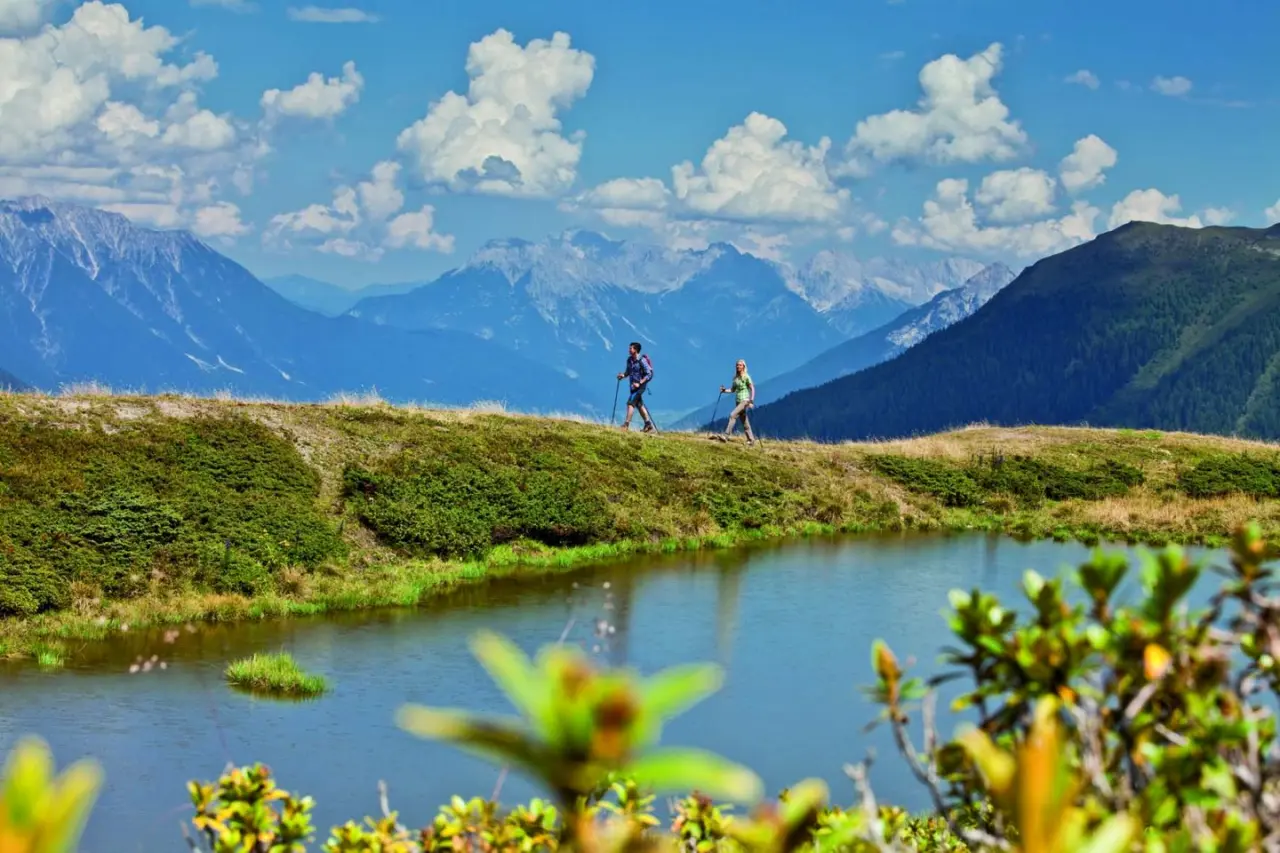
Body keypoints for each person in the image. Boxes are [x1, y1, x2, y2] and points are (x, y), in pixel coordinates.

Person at [616, 341, 655, 432]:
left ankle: (626, 425)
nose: (629, 350)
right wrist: (623, 375)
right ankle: (648, 425)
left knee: (630, 403)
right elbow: (628, 372)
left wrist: (640, 383)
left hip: (640, 386)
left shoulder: (642, 360)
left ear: (636, 350)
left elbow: (649, 374)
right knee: (639, 404)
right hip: (633, 387)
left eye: (631, 348)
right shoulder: (629, 360)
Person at [717, 359, 755, 445]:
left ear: (743, 367)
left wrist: (751, 401)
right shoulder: (736, 378)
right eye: (737, 365)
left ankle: (725, 436)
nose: (738, 366)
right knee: (744, 421)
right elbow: (732, 390)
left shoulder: (746, 377)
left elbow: (752, 388)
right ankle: (751, 440)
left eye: (740, 365)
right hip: (738, 402)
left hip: (745, 401)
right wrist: (724, 390)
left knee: (732, 415)